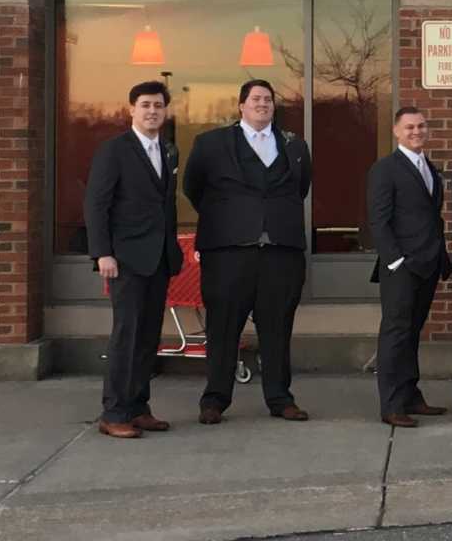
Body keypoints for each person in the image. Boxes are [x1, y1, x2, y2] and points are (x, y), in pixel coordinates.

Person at [183, 79, 313, 425]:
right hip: (228, 254)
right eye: (255, 99)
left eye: (268, 99)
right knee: (223, 328)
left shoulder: (295, 146)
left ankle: (280, 398)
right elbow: (193, 187)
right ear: (241, 106)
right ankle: (214, 400)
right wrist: (233, 219)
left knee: (278, 329)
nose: (262, 104)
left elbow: (299, 188)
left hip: (280, 254)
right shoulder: (211, 144)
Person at [85, 81, 184, 439]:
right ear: (131, 109)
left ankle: (139, 407)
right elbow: (97, 203)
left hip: (158, 259)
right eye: (145, 105)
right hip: (125, 259)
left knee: (147, 337)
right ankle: (114, 412)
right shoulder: (114, 151)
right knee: (126, 336)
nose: (152, 111)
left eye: (158, 105)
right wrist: (102, 253)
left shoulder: (168, 152)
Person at [367, 107, 451, 427]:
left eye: (421, 126)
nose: (417, 131)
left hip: (428, 264)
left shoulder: (430, 167)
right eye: (410, 127)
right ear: (396, 132)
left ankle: (410, 395)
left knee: (412, 333)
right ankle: (391, 405)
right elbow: (379, 219)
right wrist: (395, 261)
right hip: (400, 267)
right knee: (395, 333)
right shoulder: (385, 169)